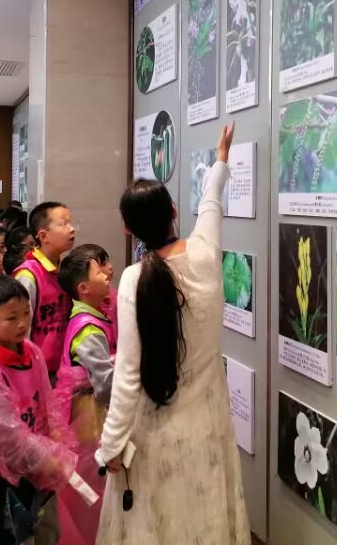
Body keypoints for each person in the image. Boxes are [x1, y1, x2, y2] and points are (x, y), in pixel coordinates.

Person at [94, 123, 249, 545]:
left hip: (156, 433)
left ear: (128, 229)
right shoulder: (205, 254)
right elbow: (211, 201)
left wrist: (110, 447)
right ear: (175, 211)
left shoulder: (133, 279)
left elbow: (128, 376)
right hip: (209, 425)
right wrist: (221, 157)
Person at [0, 276, 83, 545]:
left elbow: (48, 402)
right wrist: (49, 459)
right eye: (11, 318)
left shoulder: (32, 351)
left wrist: (57, 437)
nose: (22, 324)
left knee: (50, 533)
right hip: (8, 480)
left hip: (42, 467)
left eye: (26, 314)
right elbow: (11, 441)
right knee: (19, 536)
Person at [52, 245, 117, 545]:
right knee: (93, 479)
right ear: (83, 288)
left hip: (86, 408)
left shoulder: (91, 315)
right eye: (99, 271)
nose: (106, 275)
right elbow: (105, 384)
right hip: (88, 414)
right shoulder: (89, 329)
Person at [13, 202, 75, 381]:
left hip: (63, 370)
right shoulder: (28, 276)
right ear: (43, 236)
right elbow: (21, 331)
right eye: (63, 224)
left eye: (71, 223)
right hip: (38, 373)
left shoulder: (65, 268)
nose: (71, 229)